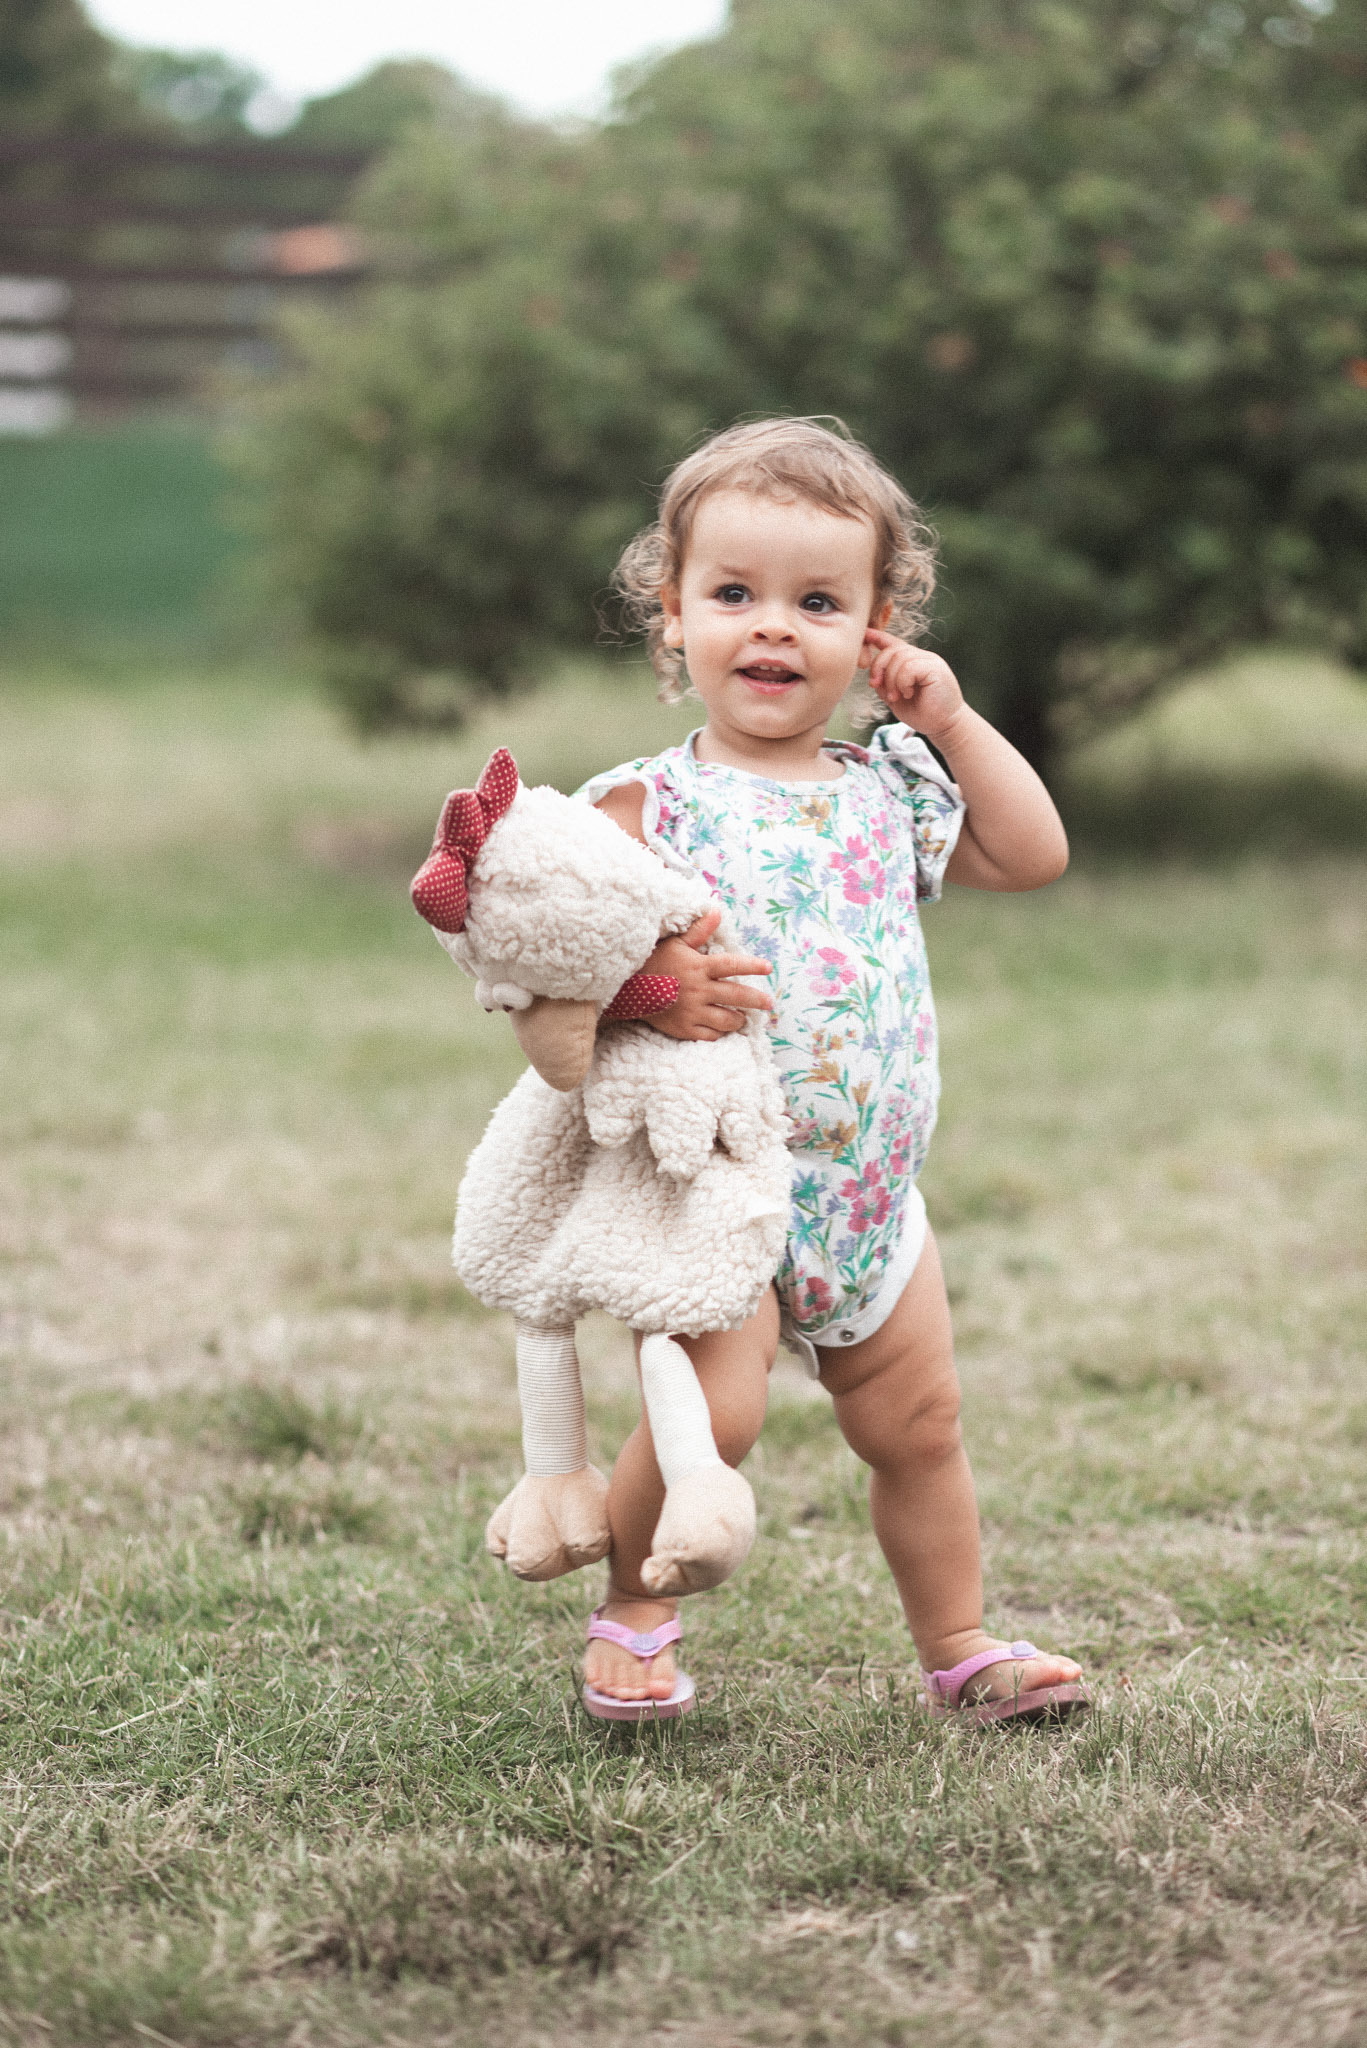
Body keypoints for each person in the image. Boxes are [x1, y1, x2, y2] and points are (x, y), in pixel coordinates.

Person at [577, 417, 1087, 1722]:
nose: (772, 627)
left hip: (870, 1196)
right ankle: (634, 1612)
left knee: (921, 1427)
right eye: (732, 594)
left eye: (817, 602)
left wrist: (952, 723)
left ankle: (959, 1645)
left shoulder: (891, 787)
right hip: (719, 1186)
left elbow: (1033, 855)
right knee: (716, 1422)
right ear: (672, 612)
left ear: (874, 632)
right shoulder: (639, 808)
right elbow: (543, 978)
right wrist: (646, 989)